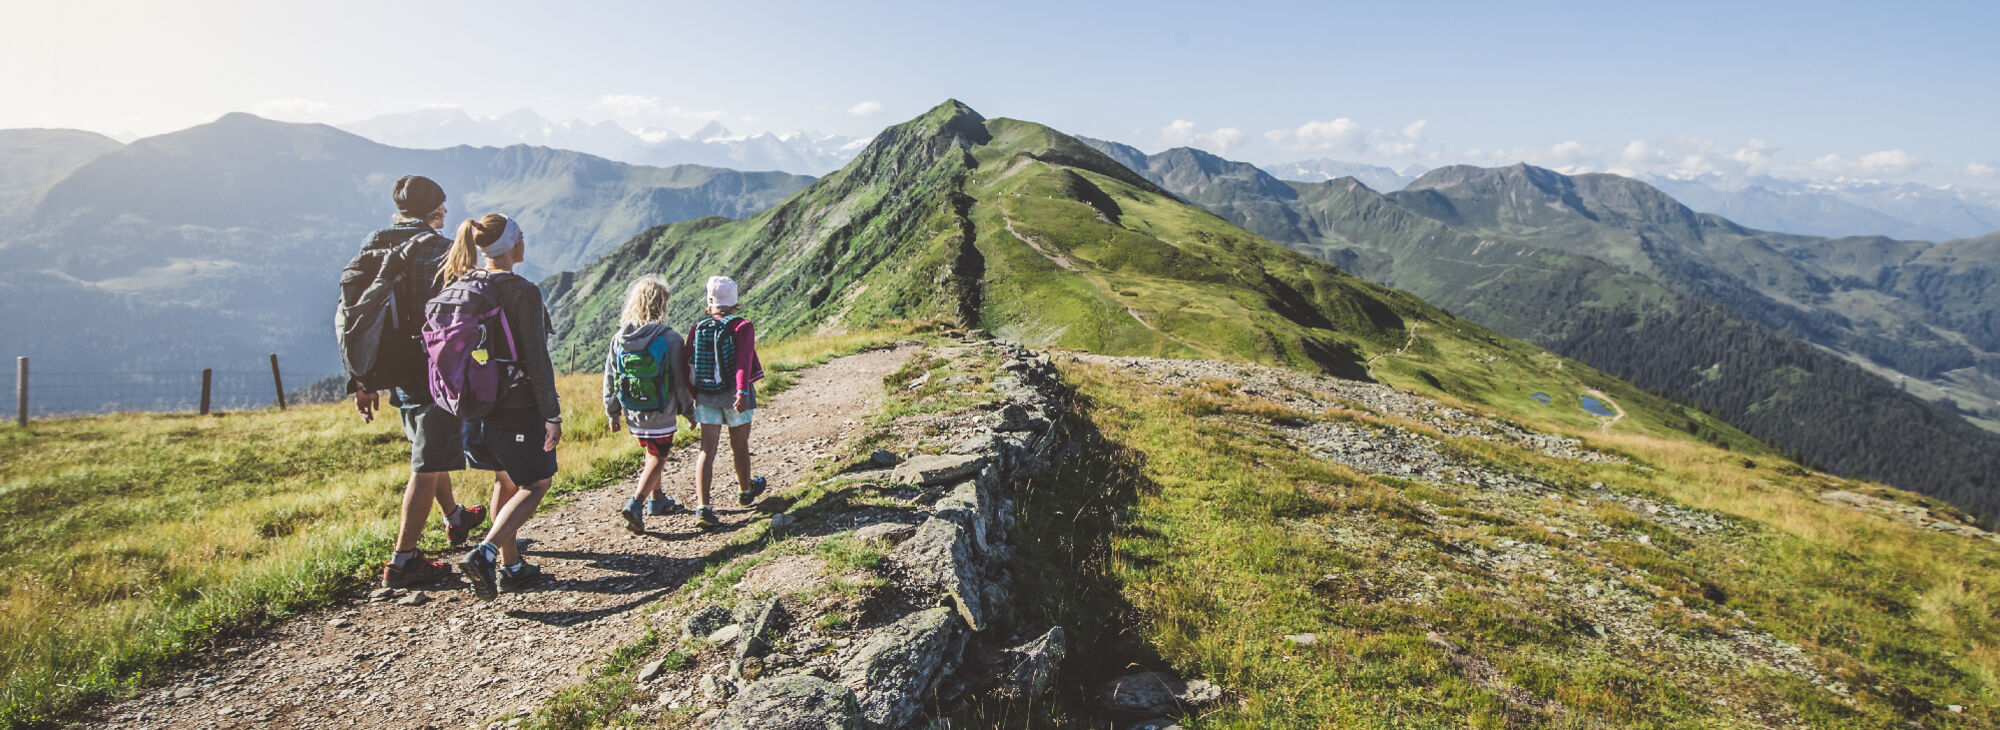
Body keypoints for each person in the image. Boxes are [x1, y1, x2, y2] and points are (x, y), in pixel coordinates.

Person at [350, 175, 492, 589]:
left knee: (424, 447)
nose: (447, 212)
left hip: (389, 368)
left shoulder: (375, 243)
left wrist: (363, 378)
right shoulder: (441, 251)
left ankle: (454, 517)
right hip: (433, 371)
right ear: (435, 211)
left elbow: (359, 313)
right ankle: (403, 560)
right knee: (427, 462)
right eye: (443, 206)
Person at [438, 213, 564, 600]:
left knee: (505, 479)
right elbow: (537, 358)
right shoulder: (522, 291)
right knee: (536, 482)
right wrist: (551, 413)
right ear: (511, 245)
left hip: (474, 406)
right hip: (516, 405)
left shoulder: (464, 284)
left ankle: (512, 568)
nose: (524, 241)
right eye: (521, 236)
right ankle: (486, 552)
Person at [603, 276, 694, 534]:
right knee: (658, 456)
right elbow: (680, 380)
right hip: (661, 411)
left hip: (634, 411)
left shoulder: (619, 338)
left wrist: (613, 413)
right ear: (661, 304)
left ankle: (657, 500)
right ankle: (636, 503)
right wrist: (689, 411)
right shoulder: (670, 338)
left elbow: (611, 378)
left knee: (650, 451)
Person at [686, 275, 766, 529]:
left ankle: (703, 507)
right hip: (735, 397)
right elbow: (743, 361)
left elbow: (688, 363)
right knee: (739, 445)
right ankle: (745, 490)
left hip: (706, 395)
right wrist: (741, 392)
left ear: (709, 302)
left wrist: (692, 395)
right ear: (734, 301)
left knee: (706, 450)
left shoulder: (698, 327)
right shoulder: (742, 326)